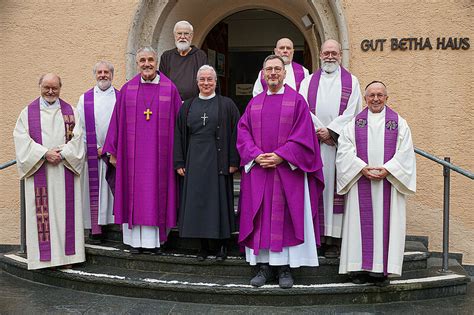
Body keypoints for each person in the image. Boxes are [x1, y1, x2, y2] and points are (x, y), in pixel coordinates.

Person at [237, 55, 324, 288]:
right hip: (260, 171)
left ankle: (285, 269)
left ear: (285, 73)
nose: (273, 73)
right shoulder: (254, 104)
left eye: (277, 69)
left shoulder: (297, 102)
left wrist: (281, 155)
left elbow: (305, 136)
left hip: (287, 172)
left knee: (285, 218)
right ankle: (264, 268)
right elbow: (242, 133)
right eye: (268, 69)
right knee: (261, 218)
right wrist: (255, 154)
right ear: (263, 74)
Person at [336, 81, 416, 286]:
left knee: (385, 225)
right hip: (360, 181)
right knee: (358, 227)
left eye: (380, 95)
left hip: (388, 183)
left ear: (387, 98)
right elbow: (344, 151)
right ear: (365, 98)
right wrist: (360, 168)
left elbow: (406, 153)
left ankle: (381, 271)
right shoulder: (354, 123)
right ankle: (358, 269)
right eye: (371, 95)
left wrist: (388, 169)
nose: (376, 99)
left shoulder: (398, 123)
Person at [103, 47, 182, 254]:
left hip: (161, 161)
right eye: (142, 60)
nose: (146, 64)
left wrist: (179, 157)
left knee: (157, 194)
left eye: (150, 60)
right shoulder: (127, 90)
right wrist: (114, 152)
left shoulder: (170, 89)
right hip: (132, 160)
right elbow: (116, 123)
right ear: (137, 63)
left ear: (156, 62)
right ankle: (134, 242)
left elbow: (179, 127)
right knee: (133, 194)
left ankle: (155, 242)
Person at [13, 73, 86, 269]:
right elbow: (21, 140)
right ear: (40, 86)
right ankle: (46, 259)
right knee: (45, 216)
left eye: (55, 87)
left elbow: (79, 140)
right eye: (47, 87)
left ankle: (66, 259)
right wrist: (45, 153)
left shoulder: (71, 111)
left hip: (64, 169)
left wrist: (62, 154)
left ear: (60, 88)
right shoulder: (28, 113)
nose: (51, 91)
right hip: (41, 170)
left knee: (65, 214)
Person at [299, 39, 362, 258]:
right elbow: (302, 109)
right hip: (315, 145)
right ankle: (316, 237)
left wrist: (332, 132)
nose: (330, 56)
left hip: (339, 147)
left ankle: (334, 241)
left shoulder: (352, 82)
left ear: (341, 55)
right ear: (320, 55)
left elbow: (353, 113)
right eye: (326, 53)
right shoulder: (307, 82)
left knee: (336, 191)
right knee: (317, 189)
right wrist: (320, 131)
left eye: (334, 53)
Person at [174, 65, 240, 261]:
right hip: (194, 160)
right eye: (202, 80)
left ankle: (221, 245)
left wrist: (233, 160)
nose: (206, 83)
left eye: (209, 79)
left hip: (218, 161)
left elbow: (238, 133)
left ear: (216, 82)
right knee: (198, 203)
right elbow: (178, 134)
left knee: (218, 202)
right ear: (197, 82)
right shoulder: (187, 106)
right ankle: (202, 246)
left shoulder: (227, 105)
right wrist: (179, 161)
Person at [77, 61, 118, 243]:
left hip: (113, 153)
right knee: (95, 191)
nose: (103, 75)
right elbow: (80, 128)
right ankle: (96, 229)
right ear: (95, 75)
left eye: (106, 72)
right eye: (99, 72)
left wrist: (109, 148)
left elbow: (122, 125)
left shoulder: (120, 96)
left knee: (111, 190)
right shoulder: (84, 98)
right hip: (93, 153)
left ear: (112, 75)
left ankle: (112, 224)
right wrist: (94, 147)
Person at [159, 20, 208, 100]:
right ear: (174, 35)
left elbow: (206, 82)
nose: (182, 37)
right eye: (179, 33)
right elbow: (162, 83)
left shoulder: (200, 56)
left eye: (186, 33)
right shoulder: (166, 56)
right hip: (172, 104)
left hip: (194, 105)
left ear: (191, 36)